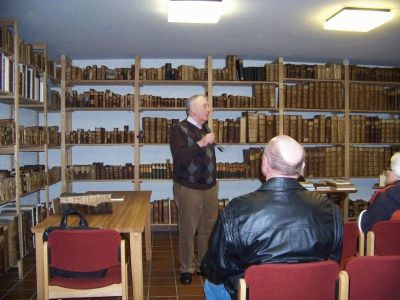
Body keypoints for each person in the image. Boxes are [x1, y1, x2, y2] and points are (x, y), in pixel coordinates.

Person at [201, 135, 343, 300]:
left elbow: (216, 269)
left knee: (212, 284)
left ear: (264, 163)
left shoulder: (237, 210)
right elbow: (333, 263)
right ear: (303, 167)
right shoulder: (332, 210)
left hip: (255, 294)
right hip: (310, 292)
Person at [169, 94, 219, 285]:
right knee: (188, 230)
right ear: (193, 109)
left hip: (210, 187)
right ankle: (187, 268)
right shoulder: (179, 129)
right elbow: (180, 157)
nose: (209, 109)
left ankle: (202, 265)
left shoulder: (205, 128)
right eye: (205, 106)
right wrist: (202, 143)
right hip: (188, 188)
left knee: (207, 229)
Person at [358, 152, 400, 233]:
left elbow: (365, 225)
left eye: (390, 169)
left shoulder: (387, 196)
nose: (387, 172)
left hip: (386, 243)